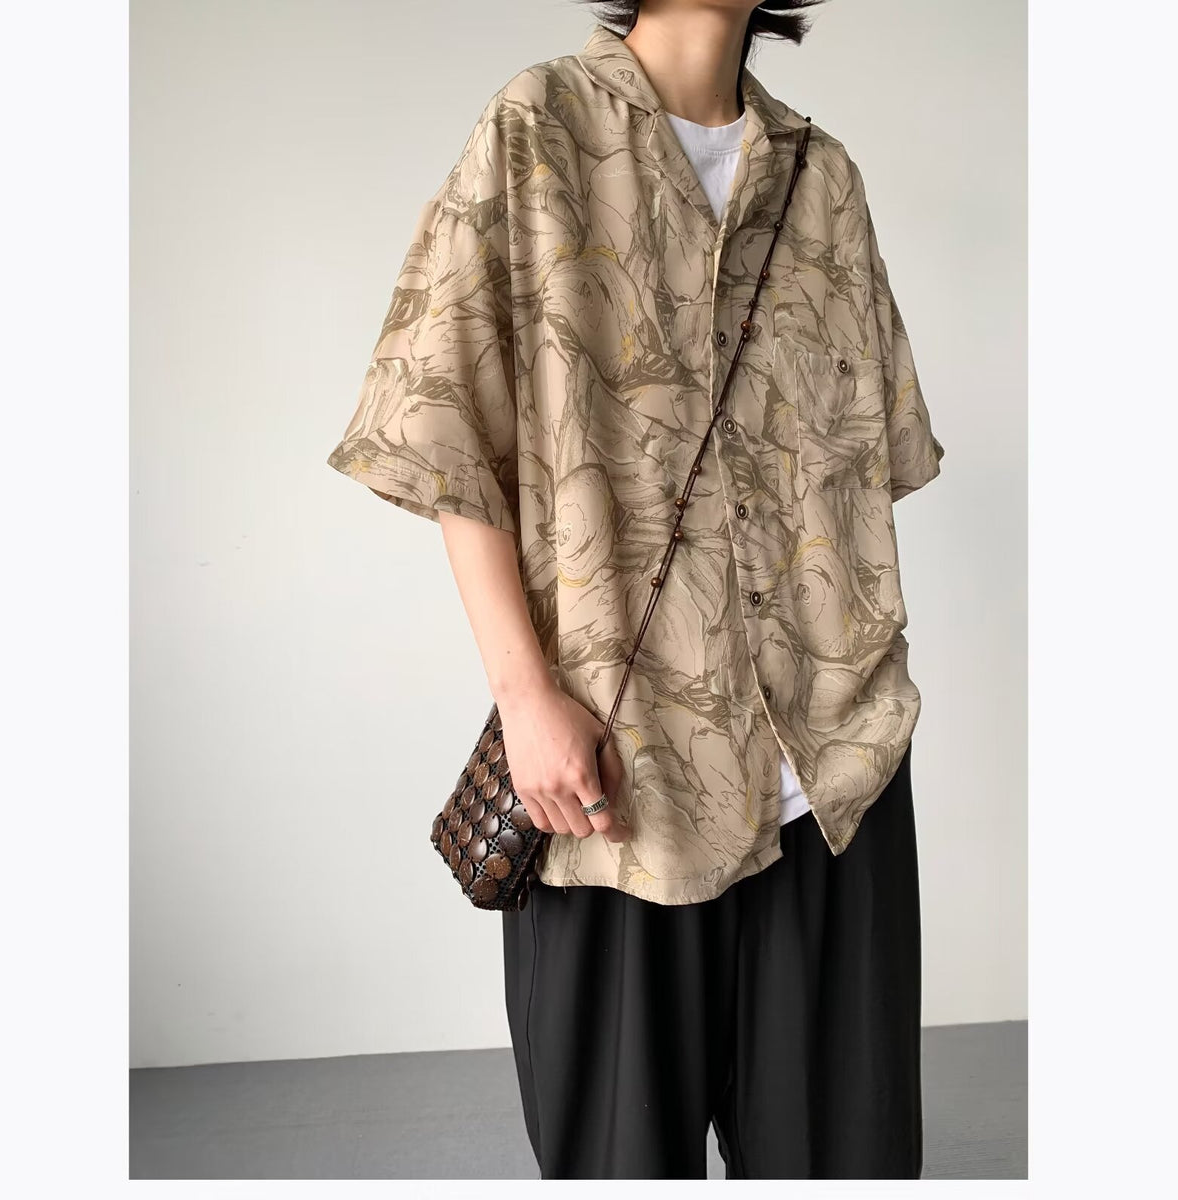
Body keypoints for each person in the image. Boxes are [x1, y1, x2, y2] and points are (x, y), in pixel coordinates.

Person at [327, 0, 944, 1180]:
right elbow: (444, 430)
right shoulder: (537, 128)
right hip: (617, 788)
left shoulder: (822, 179)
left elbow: (874, 457)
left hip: (833, 778)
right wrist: (526, 699)